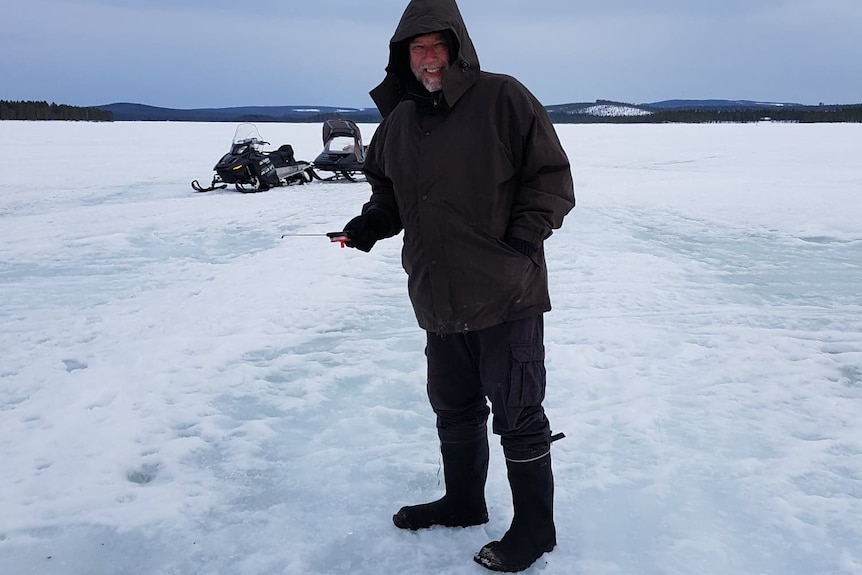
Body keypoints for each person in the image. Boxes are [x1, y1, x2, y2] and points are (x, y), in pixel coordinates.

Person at [340, 0, 575, 571]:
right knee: (453, 405)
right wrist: (370, 225)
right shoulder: (399, 121)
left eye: (437, 46)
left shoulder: (503, 98)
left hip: (505, 292)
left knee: (517, 410)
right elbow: (390, 195)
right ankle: (464, 500)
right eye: (416, 49)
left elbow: (551, 181)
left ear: (458, 47)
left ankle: (535, 531)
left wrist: (518, 247)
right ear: (404, 56)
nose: (428, 59)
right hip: (438, 293)